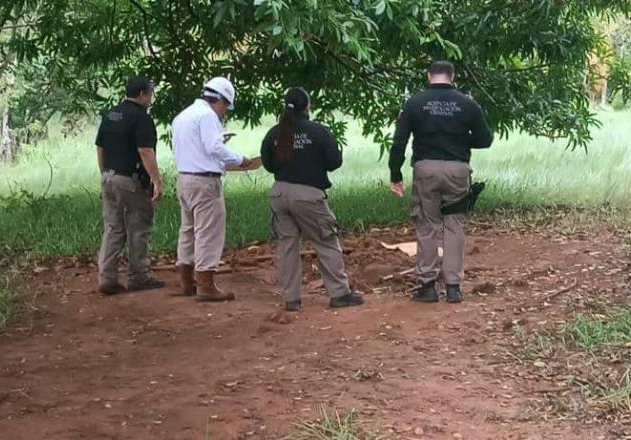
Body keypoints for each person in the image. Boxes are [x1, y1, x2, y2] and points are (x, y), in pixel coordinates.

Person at [388, 61, 493, 304]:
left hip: (426, 169)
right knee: (454, 224)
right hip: (458, 170)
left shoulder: (414, 103)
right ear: (452, 77)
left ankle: (428, 286)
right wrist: (461, 142)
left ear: (429, 76)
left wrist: (396, 174)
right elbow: (485, 139)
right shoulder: (468, 104)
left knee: (427, 225)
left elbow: (399, 142)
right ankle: (454, 287)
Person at [260, 87, 365, 311]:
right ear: (307, 106)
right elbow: (334, 162)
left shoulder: (275, 133)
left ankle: (291, 299)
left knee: (287, 246)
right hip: (308, 196)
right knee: (325, 241)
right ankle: (339, 293)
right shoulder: (318, 132)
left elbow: (268, 164)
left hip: (279, 193)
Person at [171, 77, 252, 302]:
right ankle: (205, 285)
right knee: (208, 232)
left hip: (185, 178)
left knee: (188, 230)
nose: (224, 112)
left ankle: (186, 280)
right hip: (205, 182)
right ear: (220, 100)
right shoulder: (207, 116)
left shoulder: (183, 116)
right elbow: (213, 146)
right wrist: (240, 159)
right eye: (225, 107)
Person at [95, 75, 165, 295]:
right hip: (131, 180)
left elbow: (100, 147)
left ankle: (106, 277)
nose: (151, 99)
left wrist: (105, 172)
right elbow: (145, 151)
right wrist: (156, 180)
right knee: (139, 226)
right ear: (143, 94)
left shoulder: (110, 115)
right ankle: (139, 275)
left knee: (113, 228)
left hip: (109, 176)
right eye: (150, 94)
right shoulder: (141, 118)